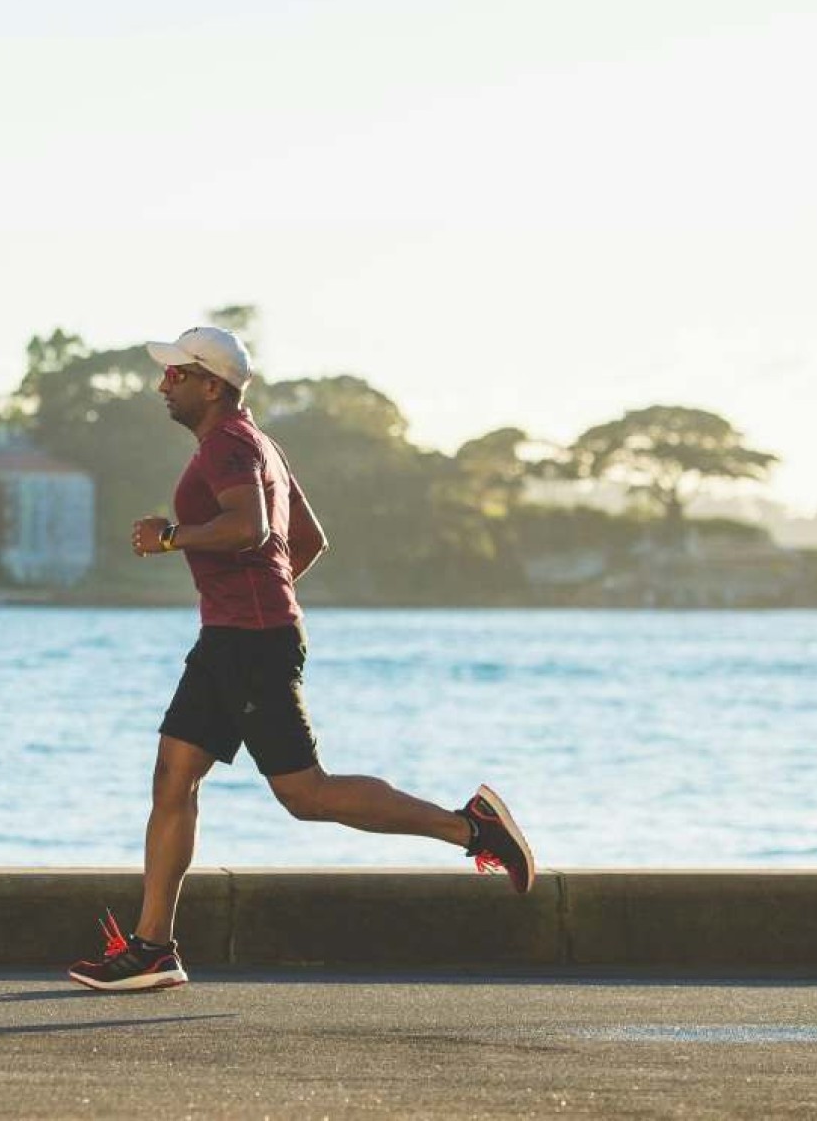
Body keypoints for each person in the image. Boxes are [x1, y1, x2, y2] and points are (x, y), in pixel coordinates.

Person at [68, 326, 535, 992]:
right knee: (174, 778)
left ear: (211, 384)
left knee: (305, 794)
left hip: (248, 644)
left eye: (176, 374)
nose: (162, 384)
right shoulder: (258, 444)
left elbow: (253, 528)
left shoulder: (230, 442)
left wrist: (173, 537)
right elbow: (307, 540)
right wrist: (261, 595)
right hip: (233, 638)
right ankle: (152, 949)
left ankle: (471, 828)